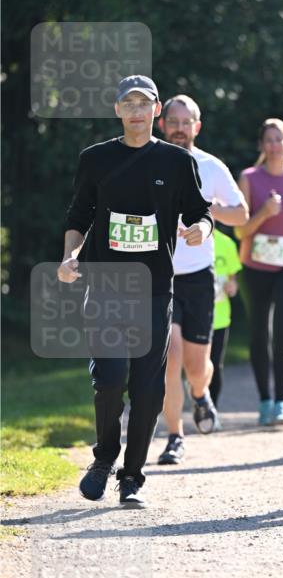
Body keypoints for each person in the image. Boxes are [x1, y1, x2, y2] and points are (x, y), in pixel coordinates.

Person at [57, 75, 214, 508]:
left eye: (145, 103)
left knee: (148, 390)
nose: (137, 111)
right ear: (117, 110)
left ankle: (132, 476)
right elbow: (79, 213)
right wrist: (71, 257)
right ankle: (104, 458)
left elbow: (201, 211)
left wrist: (199, 229)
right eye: (129, 103)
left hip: (153, 290)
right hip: (105, 286)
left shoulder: (177, 162)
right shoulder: (96, 159)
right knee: (108, 381)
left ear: (156, 111)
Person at [156, 95, 248, 466]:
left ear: (197, 126)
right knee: (170, 355)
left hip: (198, 277)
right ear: (162, 124)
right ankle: (174, 436)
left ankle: (200, 392)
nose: (179, 128)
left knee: (197, 366)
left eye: (186, 121)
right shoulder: (149, 162)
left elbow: (241, 213)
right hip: (160, 276)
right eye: (173, 121)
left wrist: (205, 213)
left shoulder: (211, 167)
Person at [236, 118, 283, 426]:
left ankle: (281, 403)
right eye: (268, 139)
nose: (274, 145)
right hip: (255, 266)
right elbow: (240, 231)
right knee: (259, 332)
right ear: (261, 145)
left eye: (279, 139)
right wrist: (264, 213)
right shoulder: (250, 178)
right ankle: (264, 400)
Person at [208, 225, 243, 408]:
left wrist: (232, 287)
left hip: (219, 317)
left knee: (214, 364)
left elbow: (233, 279)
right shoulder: (182, 239)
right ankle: (195, 395)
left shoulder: (226, 243)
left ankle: (212, 409)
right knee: (191, 364)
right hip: (189, 315)